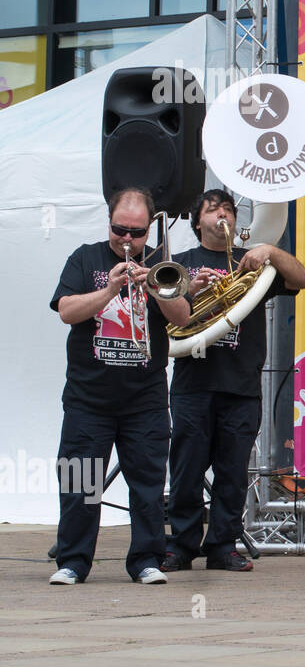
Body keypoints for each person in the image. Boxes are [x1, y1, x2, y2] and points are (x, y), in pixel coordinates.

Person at [162, 189, 305, 573]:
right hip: (193, 383)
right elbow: (165, 319)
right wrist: (192, 291)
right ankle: (180, 546)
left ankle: (222, 547)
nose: (222, 214)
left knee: (231, 473)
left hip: (241, 385)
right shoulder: (180, 264)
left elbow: (303, 279)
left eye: (228, 208)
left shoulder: (254, 263)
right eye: (213, 210)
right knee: (186, 470)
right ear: (198, 223)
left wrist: (271, 252)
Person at [48, 187, 191, 585]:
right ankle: (73, 561)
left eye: (137, 232)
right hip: (87, 399)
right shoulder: (85, 258)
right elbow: (66, 311)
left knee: (147, 485)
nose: (127, 240)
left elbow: (181, 317)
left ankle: (146, 560)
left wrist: (154, 287)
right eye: (119, 229)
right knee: (80, 482)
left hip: (143, 399)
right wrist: (110, 290)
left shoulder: (163, 265)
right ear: (108, 222)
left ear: (149, 231)